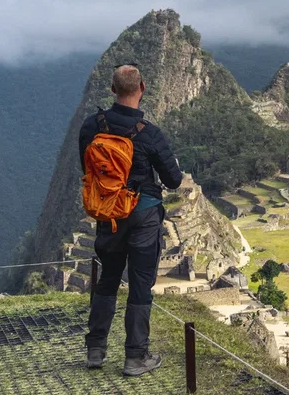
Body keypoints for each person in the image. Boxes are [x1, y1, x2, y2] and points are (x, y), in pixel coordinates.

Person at [80, 64, 183, 376]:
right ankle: (135, 358)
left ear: (113, 89)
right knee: (140, 285)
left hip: (108, 216)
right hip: (143, 216)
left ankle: (95, 351)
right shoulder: (149, 134)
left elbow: (87, 171)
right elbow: (174, 180)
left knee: (108, 280)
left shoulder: (91, 127)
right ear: (143, 88)